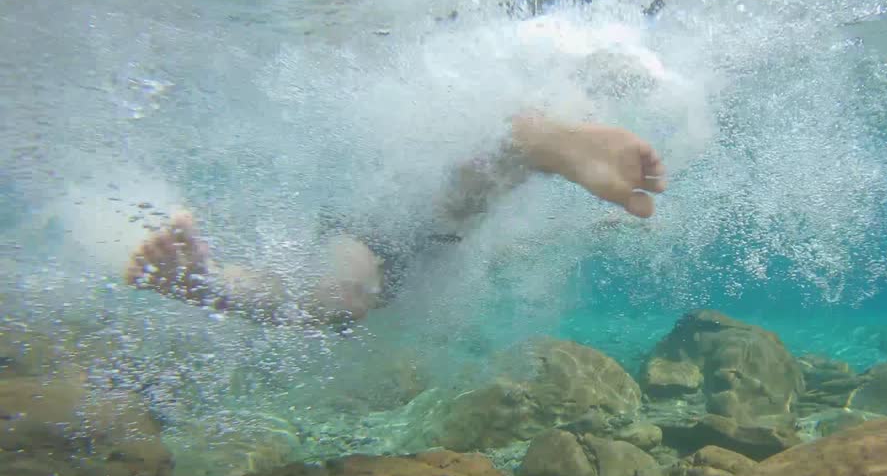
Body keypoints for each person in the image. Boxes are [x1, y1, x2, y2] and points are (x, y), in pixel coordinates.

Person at [124, 111, 667, 329]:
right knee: (350, 292)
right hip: (380, 227)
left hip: (415, 234)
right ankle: (531, 144)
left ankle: (203, 282)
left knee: (434, 227)